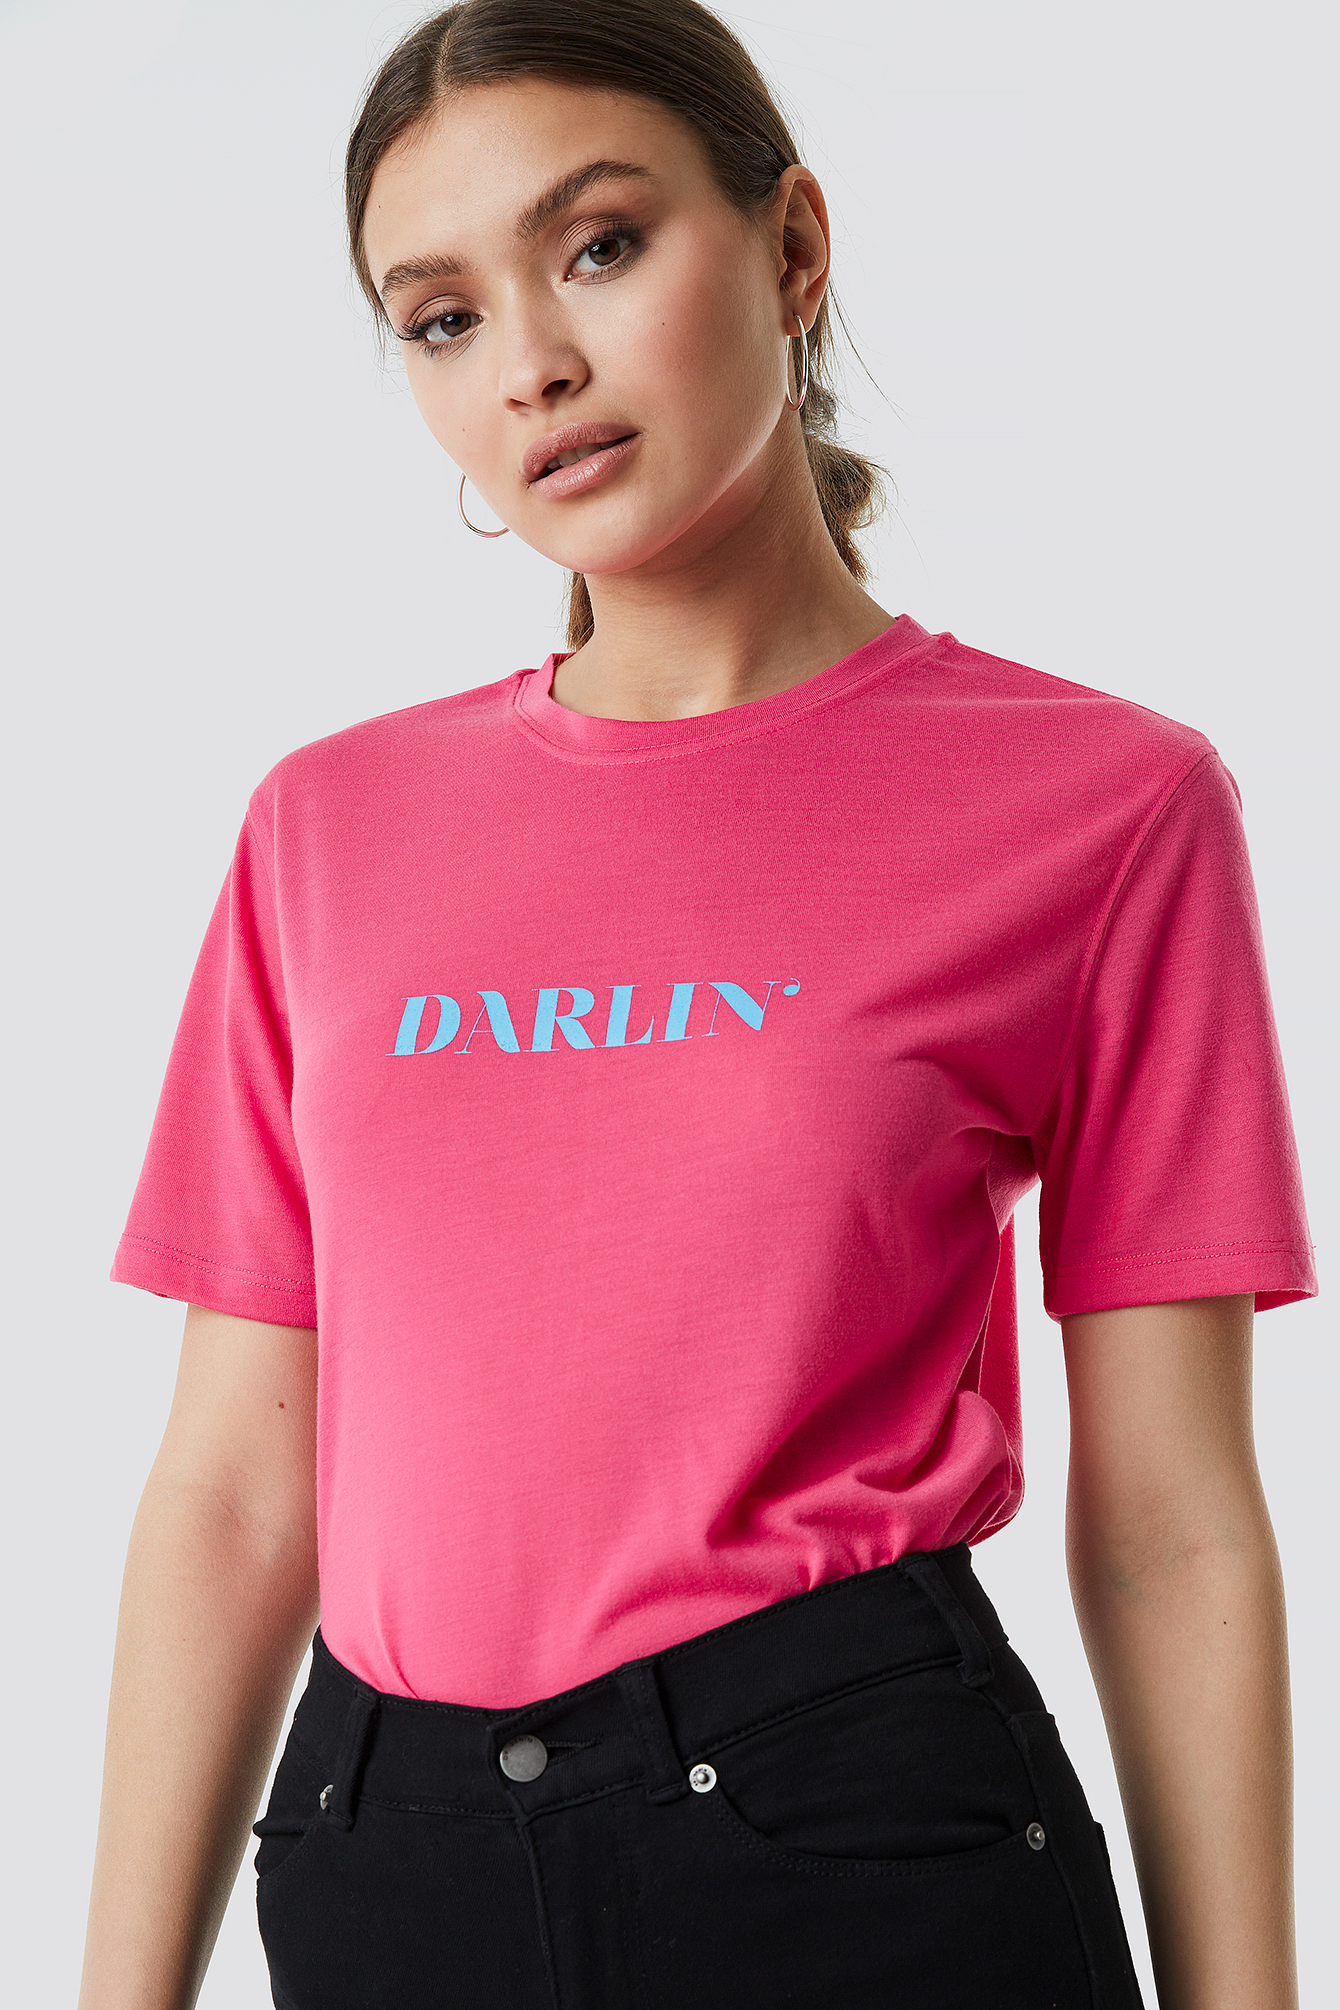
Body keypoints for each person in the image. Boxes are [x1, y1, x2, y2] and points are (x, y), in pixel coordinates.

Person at [77, 3, 1316, 2006]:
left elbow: (1173, 1518)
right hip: (389, 1855)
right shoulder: (325, 830)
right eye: (440, 317)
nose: (530, 364)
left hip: (853, 1838)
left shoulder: (1102, 805)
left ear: (792, 249)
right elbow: (229, 1486)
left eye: (598, 246)